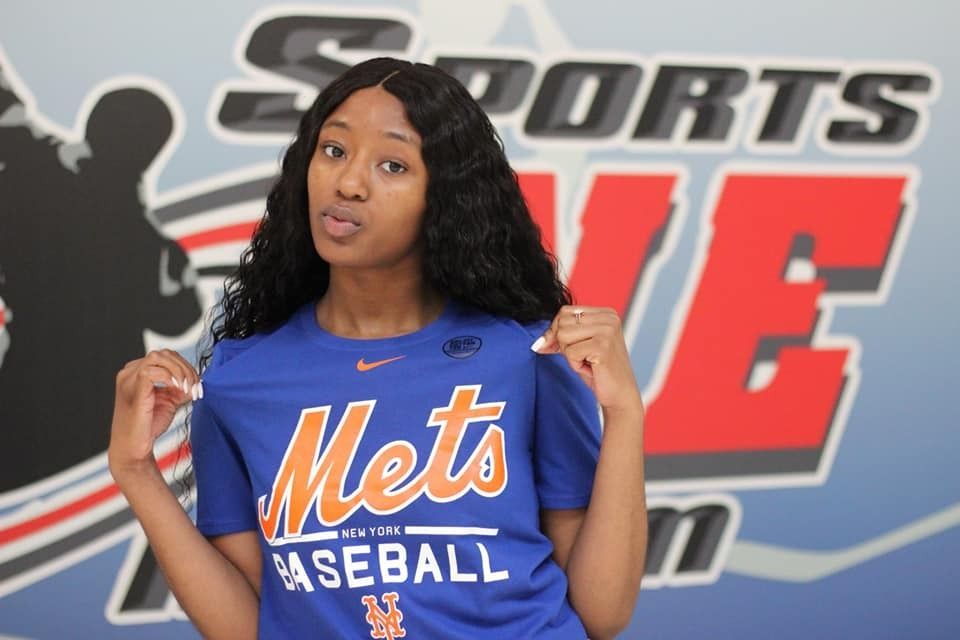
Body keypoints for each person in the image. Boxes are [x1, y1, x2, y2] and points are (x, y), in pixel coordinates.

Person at [109, 57, 647, 639]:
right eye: (334, 151)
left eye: (392, 164)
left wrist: (624, 414)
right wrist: (135, 471)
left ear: (445, 199)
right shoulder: (242, 379)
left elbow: (602, 613)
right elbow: (248, 628)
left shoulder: (525, 354)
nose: (348, 183)